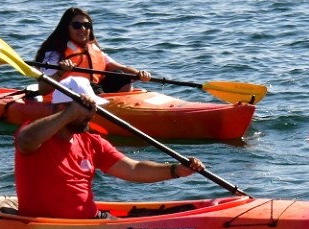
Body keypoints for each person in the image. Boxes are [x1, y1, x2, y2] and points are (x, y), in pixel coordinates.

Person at [13, 79, 203, 219]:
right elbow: (26, 141)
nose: (93, 114)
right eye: (88, 109)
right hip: (53, 228)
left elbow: (134, 169)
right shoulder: (35, 133)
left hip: (92, 221)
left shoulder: (92, 142)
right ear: (63, 107)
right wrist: (71, 112)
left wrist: (176, 170)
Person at [33, 7, 150, 96]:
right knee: (89, 85)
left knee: (120, 75)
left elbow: (120, 68)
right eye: (77, 25)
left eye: (87, 25)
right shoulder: (56, 53)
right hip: (70, 94)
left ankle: (122, 104)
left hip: (96, 91)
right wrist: (60, 72)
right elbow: (43, 89)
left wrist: (139, 74)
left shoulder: (93, 49)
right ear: (66, 28)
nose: (83, 29)